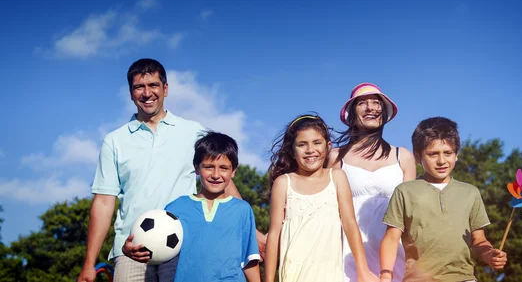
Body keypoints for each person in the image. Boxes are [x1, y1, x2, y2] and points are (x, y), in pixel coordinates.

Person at [77, 58, 264, 282]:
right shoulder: (114, 141)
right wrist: (89, 262)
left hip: (182, 247)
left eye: (153, 85)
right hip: (131, 250)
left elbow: (221, 182)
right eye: (139, 87)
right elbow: (103, 202)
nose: (147, 93)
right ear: (130, 93)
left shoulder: (193, 131)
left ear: (165, 89)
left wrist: (252, 233)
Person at [379, 117, 508, 282]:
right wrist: (385, 275)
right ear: (418, 157)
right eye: (433, 154)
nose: (441, 161)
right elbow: (391, 238)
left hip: (464, 278)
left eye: (448, 153)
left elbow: (479, 240)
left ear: (456, 155)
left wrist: (490, 254)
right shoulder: (404, 191)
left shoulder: (471, 192)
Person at [264, 114, 379, 282]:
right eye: (302, 144)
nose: (310, 150)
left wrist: (363, 270)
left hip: (331, 274)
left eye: (317, 143)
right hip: (293, 274)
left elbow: (350, 223)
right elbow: (274, 235)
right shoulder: (283, 183)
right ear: (292, 151)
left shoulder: (337, 177)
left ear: (328, 146)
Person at [327, 82, 416, 282]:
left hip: (394, 256)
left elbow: (412, 213)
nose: (370, 107)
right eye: (363, 103)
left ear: (384, 112)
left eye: (376, 103)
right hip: (346, 254)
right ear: (352, 113)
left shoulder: (403, 156)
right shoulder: (335, 157)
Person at [165, 131, 260, 282]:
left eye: (223, 168)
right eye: (209, 167)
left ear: (233, 171)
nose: (216, 175)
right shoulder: (175, 208)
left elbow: (249, 261)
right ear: (196, 168)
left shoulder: (242, 210)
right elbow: (157, 248)